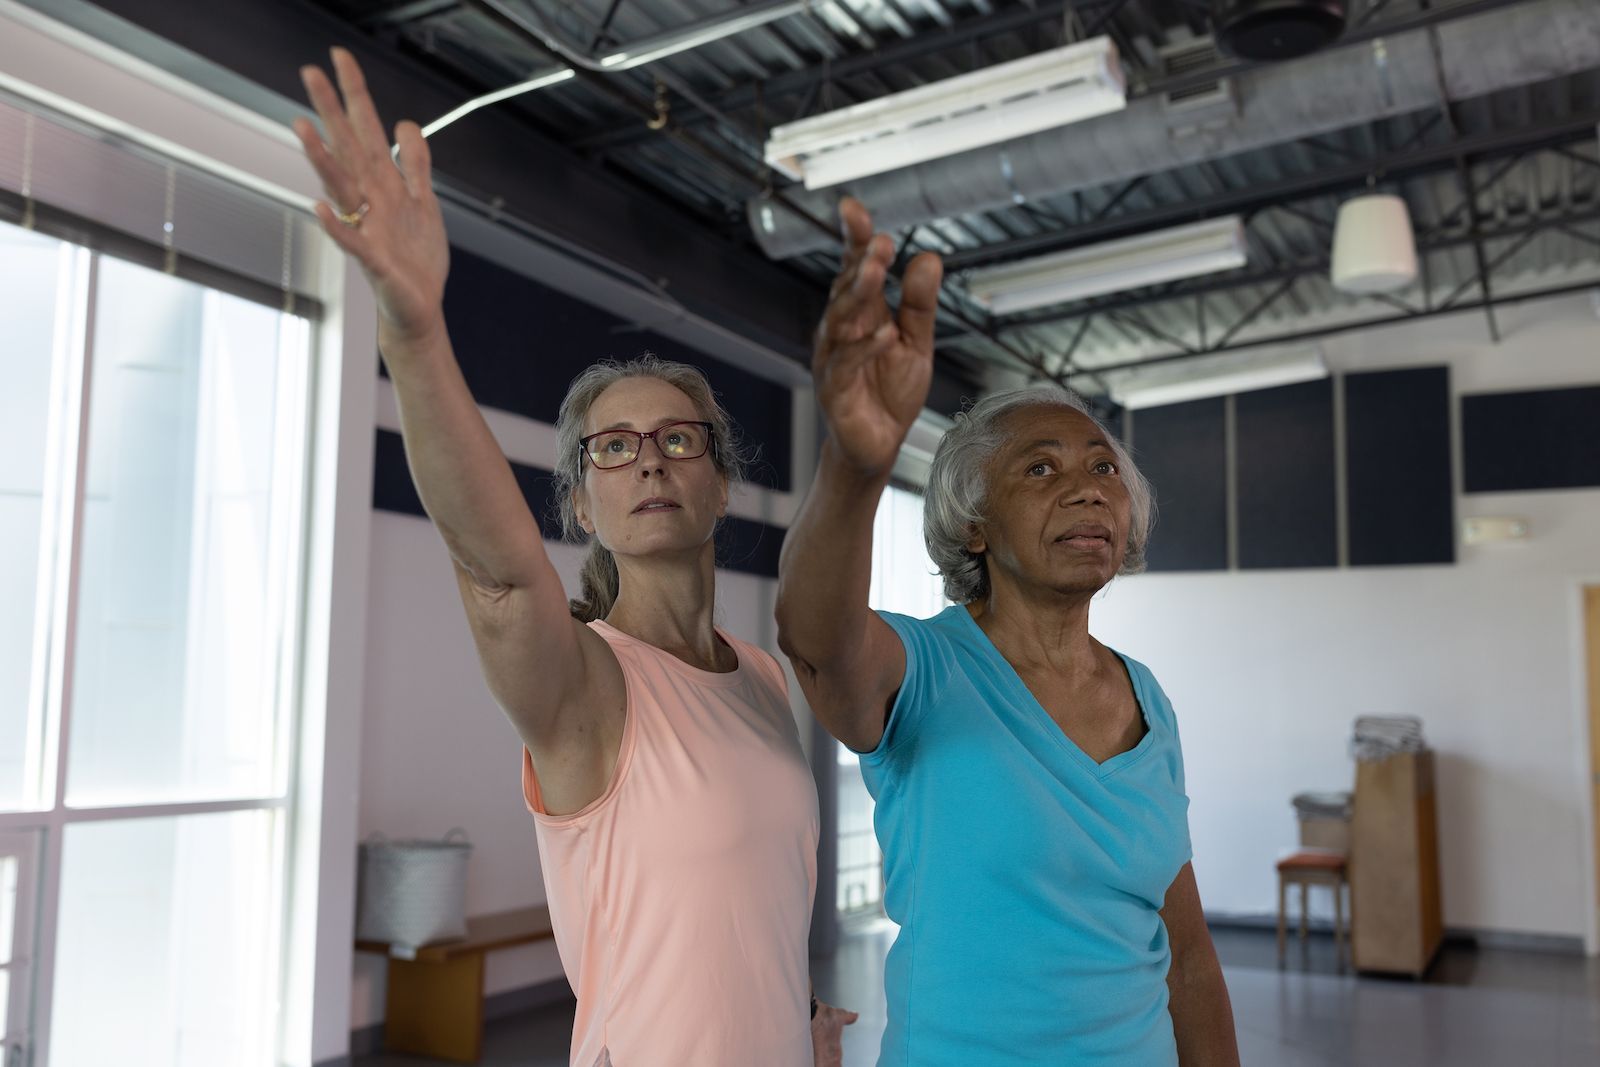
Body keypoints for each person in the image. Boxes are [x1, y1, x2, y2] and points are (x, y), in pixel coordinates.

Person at [292, 47, 855, 1067]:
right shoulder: (584, 684)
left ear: (722, 480)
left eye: (679, 438)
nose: (648, 460)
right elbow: (499, 574)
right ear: (579, 500)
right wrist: (415, 332)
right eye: (613, 447)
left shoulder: (767, 678)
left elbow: (756, 898)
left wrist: (803, 1014)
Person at [776, 197, 1240, 1065]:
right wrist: (857, 464)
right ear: (975, 524)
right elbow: (814, 638)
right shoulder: (924, 670)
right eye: (1041, 467)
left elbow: (1189, 960)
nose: (1090, 485)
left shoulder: (1148, 700)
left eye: (1103, 466)